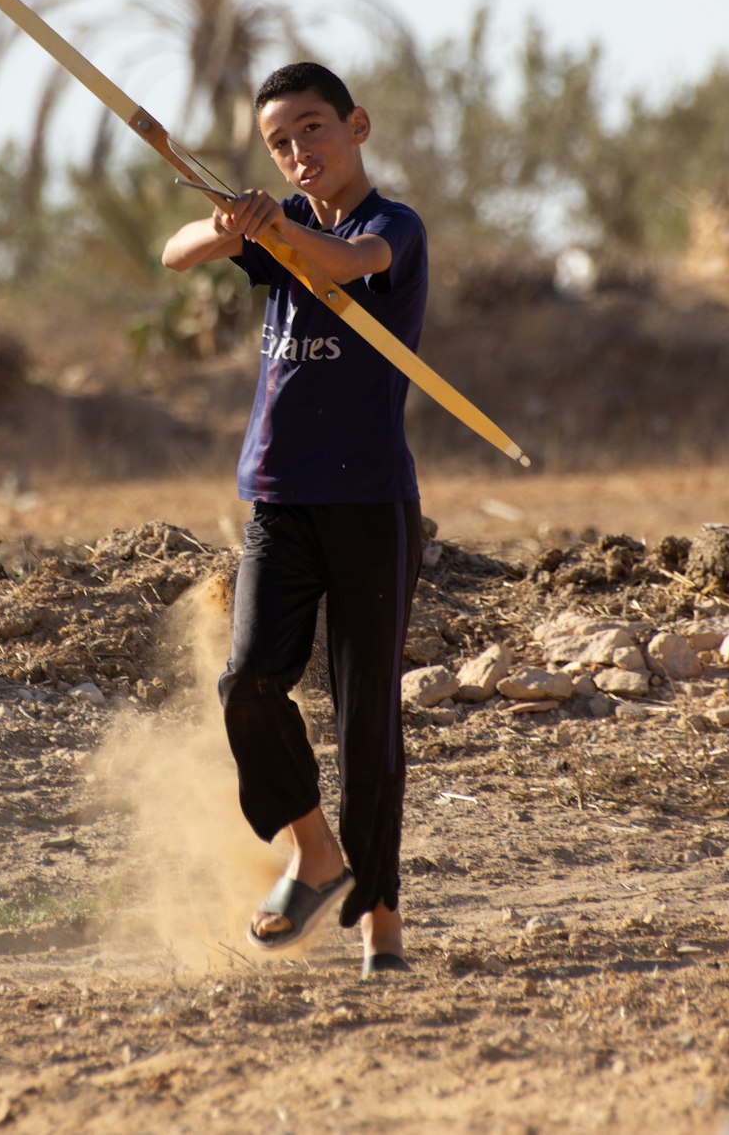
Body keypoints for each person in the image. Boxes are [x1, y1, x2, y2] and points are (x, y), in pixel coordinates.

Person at [161, 61, 427, 978]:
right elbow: (176, 254)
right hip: (277, 498)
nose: (298, 151)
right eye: (280, 142)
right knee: (247, 684)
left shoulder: (391, 226)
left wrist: (279, 233)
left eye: (312, 129)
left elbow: (349, 266)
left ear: (356, 125)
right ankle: (313, 852)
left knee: (367, 725)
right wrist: (228, 225)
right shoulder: (269, 230)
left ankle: (380, 929)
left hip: (372, 505)